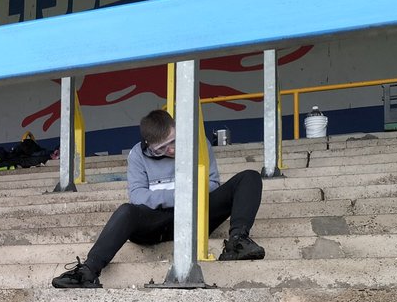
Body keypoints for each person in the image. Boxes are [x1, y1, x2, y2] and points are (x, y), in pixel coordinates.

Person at [52, 109, 266, 289]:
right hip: (157, 222)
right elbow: (138, 196)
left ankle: (237, 242)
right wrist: (181, 196)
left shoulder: (198, 143)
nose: (170, 150)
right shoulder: (137, 155)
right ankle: (88, 271)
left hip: (196, 217)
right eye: (162, 148)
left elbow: (211, 185)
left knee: (249, 177)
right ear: (148, 144)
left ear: (177, 130)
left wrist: (177, 199)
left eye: (173, 142)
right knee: (126, 210)